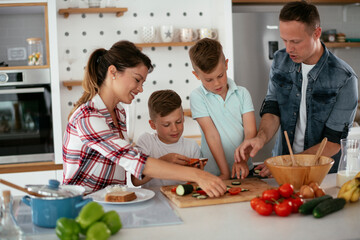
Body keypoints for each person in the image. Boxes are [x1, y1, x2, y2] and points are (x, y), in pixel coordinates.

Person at [62, 40, 226, 197]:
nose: (140, 89)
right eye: (137, 80)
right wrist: (197, 175)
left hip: (109, 203)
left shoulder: (119, 113)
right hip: (81, 206)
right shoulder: (88, 117)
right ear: (113, 72)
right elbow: (132, 159)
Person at [235, 1, 358, 177]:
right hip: (281, 165)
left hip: (323, 173)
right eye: (284, 40)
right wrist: (259, 138)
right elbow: (273, 107)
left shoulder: (344, 78)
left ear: (317, 33)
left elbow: (333, 142)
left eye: (295, 41)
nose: (288, 48)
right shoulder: (280, 60)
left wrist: (288, 163)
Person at [189, 38, 257, 180]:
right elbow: (211, 135)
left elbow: (250, 131)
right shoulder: (197, 97)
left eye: (220, 76)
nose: (217, 83)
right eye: (209, 80)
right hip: (215, 173)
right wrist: (224, 172)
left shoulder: (243, 93)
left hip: (245, 170)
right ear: (196, 75)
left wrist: (242, 161)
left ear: (226, 65)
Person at [131, 89, 202, 188]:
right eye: (166, 124)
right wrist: (163, 162)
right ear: (153, 125)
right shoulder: (146, 141)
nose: (174, 129)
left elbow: (195, 184)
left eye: (178, 121)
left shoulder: (191, 146)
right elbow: (135, 181)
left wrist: (197, 174)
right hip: (153, 201)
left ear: (183, 118)